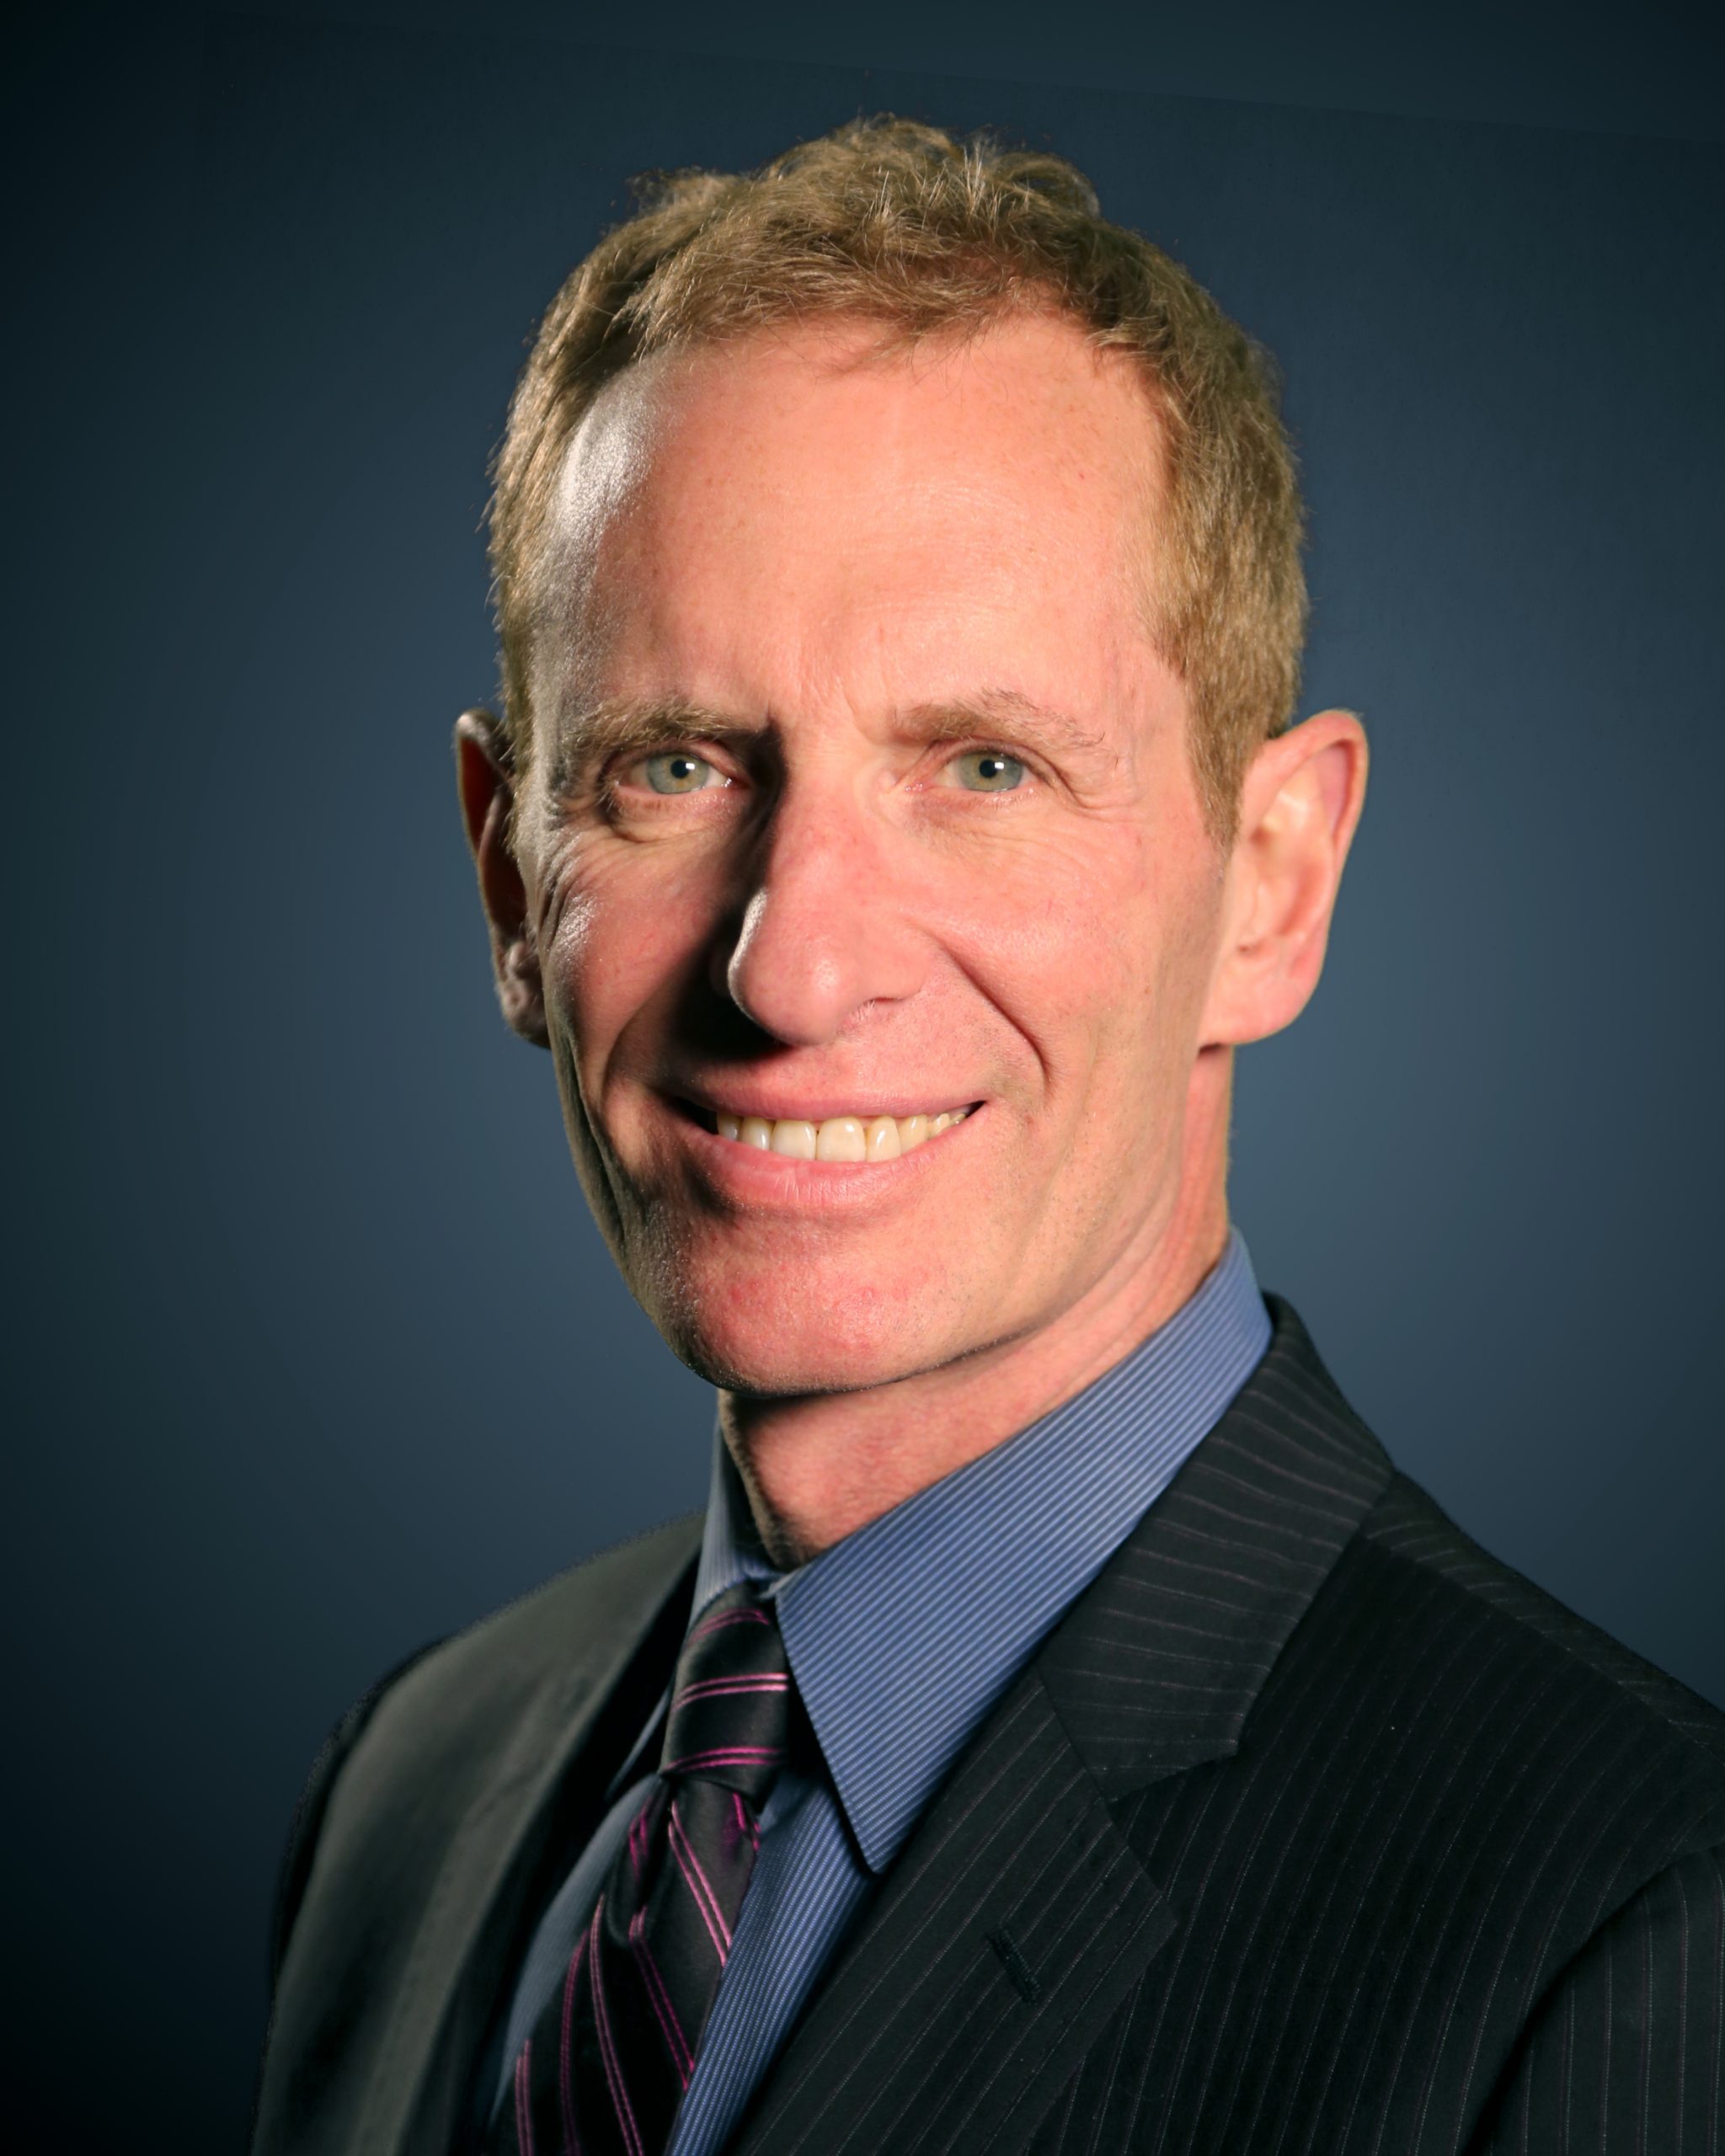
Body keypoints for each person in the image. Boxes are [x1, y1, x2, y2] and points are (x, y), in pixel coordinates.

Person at [250, 119, 1725, 2156]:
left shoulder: (1631, 1927)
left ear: (1272, 882)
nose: (792, 964)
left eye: (983, 767)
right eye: (672, 766)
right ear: (512, 882)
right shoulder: (408, 1791)